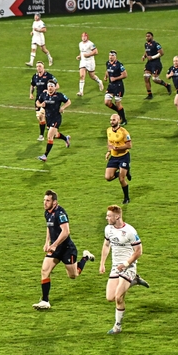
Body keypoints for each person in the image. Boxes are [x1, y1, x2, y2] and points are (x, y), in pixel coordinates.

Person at [33, 190, 94, 310]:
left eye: (48, 201)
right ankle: (45, 300)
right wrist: (47, 242)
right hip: (55, 248)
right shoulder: (47, 212)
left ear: (54, 202)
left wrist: (54, 244)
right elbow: (49, 226)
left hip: (67, 249)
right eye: (44, 200)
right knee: (45, 270)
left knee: (74, 275)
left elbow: (66, 231)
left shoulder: (60, 213)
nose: (45, 203)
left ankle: (85, 257)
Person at [98, 205, 149, 334]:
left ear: (117, 216)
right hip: (116, 266)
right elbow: (106, 245)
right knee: (110, 297)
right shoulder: (108, 229)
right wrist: (102, 263)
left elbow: (139, 251)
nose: (106, 218)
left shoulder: (130, 231)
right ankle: (135, 280)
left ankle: (117, 326)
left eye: (109, 216)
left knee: (118, 297)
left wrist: (126, 264)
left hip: (129, 266)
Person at [36, 81, 71, 162]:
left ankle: (45, 156)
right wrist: (41, 105)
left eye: (52, 86)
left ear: (55, 87)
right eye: (49, 86)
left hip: (56, 118)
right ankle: (66, 138)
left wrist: (63, 107)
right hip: (48, 118)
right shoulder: (44, 95)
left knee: (49, 136)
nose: (50, 87)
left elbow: (68, 101)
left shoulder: (59, 95)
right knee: (55, 135)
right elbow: (37, 102)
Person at [104, 114, 132, 204]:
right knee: (108, 177)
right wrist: (109, 151)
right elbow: (109, 142)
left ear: (119, 121)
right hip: (114, 157)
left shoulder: (124, 132)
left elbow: (129, 145)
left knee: (121, 179)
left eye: (114, 120)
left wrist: (117, 148)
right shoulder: (108, 130)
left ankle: (126, 198)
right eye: (111, 120)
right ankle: (125, 171)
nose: (112, 121)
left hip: (123, 156)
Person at [30, 62, 57, 142]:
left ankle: (41, 135)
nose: (38, 68)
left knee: (42, 115)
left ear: (43, 67)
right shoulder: (35, 76)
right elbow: (32, 85)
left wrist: (49, 90)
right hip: (38, 100)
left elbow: (57, 85)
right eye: (37, 66)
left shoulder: (49, 76)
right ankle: (50, 127)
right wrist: (31, 94)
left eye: (40, 66)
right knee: (39, 117)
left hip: (47, 99)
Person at [141, 32, 172, 99]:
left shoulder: (156, 44)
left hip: (156, 64)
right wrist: (144, 56)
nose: (147, 37)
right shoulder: (146, 44)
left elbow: (161, 53)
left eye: (149, 36)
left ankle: (167, 85)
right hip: (149, 64)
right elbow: (146, 51)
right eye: (146, 36)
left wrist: (152, 57)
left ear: (152, 37)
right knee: (146, 77)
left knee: (155, 79)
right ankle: (149, 94)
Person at [104, 50, 128, 125]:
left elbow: (125, 75)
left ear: (115, 56)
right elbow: (108, 71)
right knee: (107, 102)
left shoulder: (119, 65)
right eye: (110, 55)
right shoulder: (107, 63)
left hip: (118, 86)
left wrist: (115, 78)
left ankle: (124, 120)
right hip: (111, 86)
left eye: (112, 55)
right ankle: (119, 111)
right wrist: (105, 76)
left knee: (118, 103)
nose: (111, 57)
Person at [76, 32, 103, 97]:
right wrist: (79, 56)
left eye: (85, 36)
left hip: (90, 62)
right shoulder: (80, 44)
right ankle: (81, 92)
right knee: (82, 76)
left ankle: (99, 81)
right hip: (83, 62)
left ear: (87, 37)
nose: (83, 38)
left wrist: (88, 55)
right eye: (82, 36)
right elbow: (82, 51)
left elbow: (96, 52)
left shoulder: (90, 44)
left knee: (92, 76)